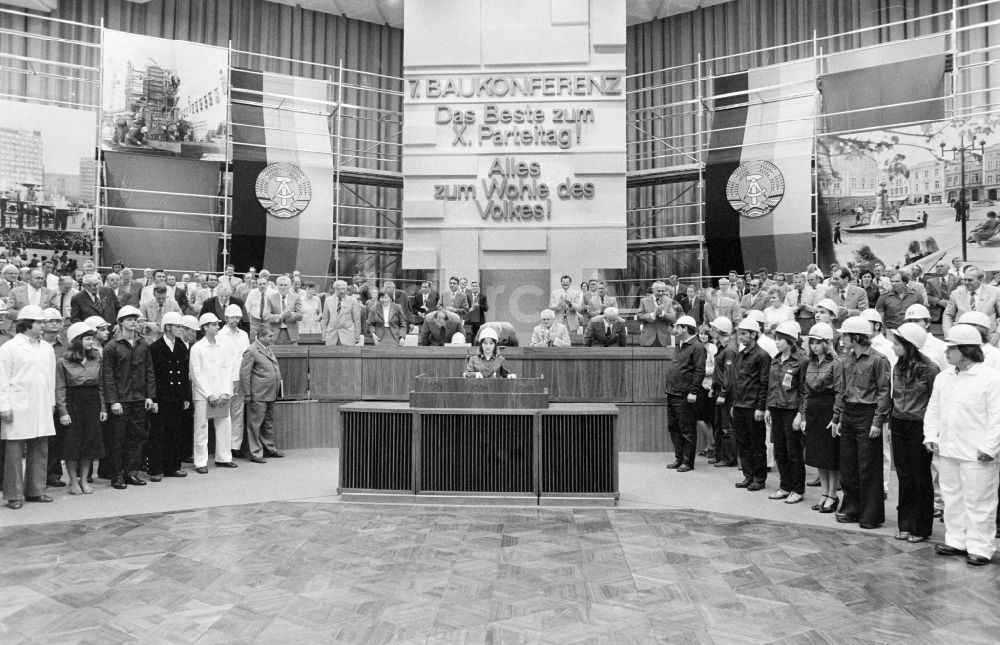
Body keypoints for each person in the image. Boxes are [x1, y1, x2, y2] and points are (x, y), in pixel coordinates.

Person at [925, 324, 1000, 566]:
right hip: (948, 449)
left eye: (952, 348)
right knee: (952, 497)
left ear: (966, 350)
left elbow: (997, 416)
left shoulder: (991, 378)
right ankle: (956, 540)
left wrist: (990, 447)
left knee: (979, 501)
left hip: (977, 452)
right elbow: (933, 410)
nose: (947, 352)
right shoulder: (943, 377)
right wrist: (931, 436)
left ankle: (980, 546)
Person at [832, 316, 891, 529]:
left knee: (868, 466)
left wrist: (877, 421)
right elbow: (842, 389)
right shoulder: (846, 359)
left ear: (855, 337)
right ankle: (851, 507)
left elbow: (884, 392)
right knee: (848, 465)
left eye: (845, 336)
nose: (841, 339)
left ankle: (870, 514)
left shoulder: (878, 359)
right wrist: (837, 417)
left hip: (868, 414)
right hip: (849, 413)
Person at [1, 305, 56, 509]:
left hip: (41, 404)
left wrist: (51, 402)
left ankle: (36, 490)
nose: (43, 325)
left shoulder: (47, 348)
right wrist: (4, 406)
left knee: (40, 447)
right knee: (14, 452)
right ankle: (14, 495)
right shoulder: (10, 348)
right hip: (17, 405)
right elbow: (2, 379)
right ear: (27, 324)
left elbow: (50, 378)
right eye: (40, 322)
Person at [889, 322, 940, 544]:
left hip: (920, 425)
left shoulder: (930, 369)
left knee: (920, 476)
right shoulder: (897, 366)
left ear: (909, 345)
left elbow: (935, 402)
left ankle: (920, 527)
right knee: (904, 476)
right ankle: (905, 523)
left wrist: (932, 432)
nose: (893, 347)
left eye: (897, 343)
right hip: (899, 423)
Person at [102, 305, 156, 490]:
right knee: (118, 438)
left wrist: (150, 396)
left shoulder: (143, 345)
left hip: (139, 398)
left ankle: (131, 472)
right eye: (129, 319)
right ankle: (117, 475)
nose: (134, 322)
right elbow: (107, 376)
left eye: (136, 318)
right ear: (120, 322)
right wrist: (114, 401)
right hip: (121, 399)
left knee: (137, 436)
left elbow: (149, 370)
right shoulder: (112, 347)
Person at [55, 321, 107, 495]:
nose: (91, 342)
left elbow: (101, 385)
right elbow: (60, 388)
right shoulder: (63, 362)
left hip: (92, 402)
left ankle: (84, 479)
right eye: (87, 338)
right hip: (73, 402)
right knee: (73, 444)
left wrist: (103, 408)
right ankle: (72, 480)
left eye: (92, 338)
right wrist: (63, 411)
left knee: (89, 444)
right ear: (77, 340)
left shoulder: (96, 358)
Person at [801, 322, 842, 512]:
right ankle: (824, 494)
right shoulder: (809, 364)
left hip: (828, 409)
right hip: (814, 411)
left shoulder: (836, 364)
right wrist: (803, 416)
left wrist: (835, 417)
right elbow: (805, 392)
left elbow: (840, 392)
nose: (814, 346)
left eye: (818, 342)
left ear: (827, 343)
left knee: (830, 458)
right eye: (812, 342)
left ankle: (833, 496)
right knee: (818, 457)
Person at [765, 321, 806, 504]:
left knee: (794, 451)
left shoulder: (801, 361)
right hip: (776, 408)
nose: (777, 342)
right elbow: (771, 385)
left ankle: (798, 489)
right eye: (776, 338)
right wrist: (767, 406)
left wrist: (800, 413)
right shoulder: (775, 359)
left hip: (791, 410)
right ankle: (785, 486)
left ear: (790, 340)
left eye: (781, 339)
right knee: (779, 450)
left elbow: (805, 391)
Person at [189, 312, 236, 473]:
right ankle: (200, 461)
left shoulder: (223, 346)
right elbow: (196, 374)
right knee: (201, 428)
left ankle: (224, 458)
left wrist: (225, 392)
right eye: (214, 324)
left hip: (221, 393)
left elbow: (228, 369)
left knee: (224, 425)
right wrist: (209, 393)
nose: (218, 327)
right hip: (203, 395)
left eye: (217, 324)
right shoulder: (197, 348)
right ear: (205, 327)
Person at [729, 317, 771, 491]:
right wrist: (734, 403)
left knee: (757, 444)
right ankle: (748, 475)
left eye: (744, 333)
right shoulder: (741, 354)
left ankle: (759, 478)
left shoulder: (762, 356)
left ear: (754, 334)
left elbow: (764, 383)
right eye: (739, 333)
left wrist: (761, 407)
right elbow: (738, 381)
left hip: (753, 406)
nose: (741, 337)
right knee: (743, 443)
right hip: (740, 404)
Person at [147, 311, 190, 481]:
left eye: (181, 327)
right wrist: (153, 398)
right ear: (167, 327)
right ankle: (156, 468)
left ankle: (173, 466)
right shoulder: (155, 348)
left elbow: (184, 373)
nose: (181, 329)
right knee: (158, 433)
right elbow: (151, 375)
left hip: (177, 396)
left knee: (175, 432)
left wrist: (185, 397)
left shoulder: (180, 346)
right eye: (178, 326)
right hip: (161, 397)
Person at [664, 316, 705, 472]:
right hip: (672, 392)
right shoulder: (680, 345)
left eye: (678, 327)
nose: (675, 330)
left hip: (684, 394)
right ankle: (679, 458)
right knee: (673, 427)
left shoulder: (697, 347)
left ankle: (687, 461)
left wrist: (693, 391)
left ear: (686, 328)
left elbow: (699, 371)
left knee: (686, 429)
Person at [240, 325, 285, 462]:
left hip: (270, 393)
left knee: (268, 423)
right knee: (255, 424)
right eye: (270, 336)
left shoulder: (267, 348)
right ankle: (255, 452)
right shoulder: (251, 350)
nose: (272, 338)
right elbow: (244, 374)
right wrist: (247, 394)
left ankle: (269, 448)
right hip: (258, 394)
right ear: (261, 337)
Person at [219, 304, 250, 458]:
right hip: (225, 380)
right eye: (232, 317)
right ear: (226, 318)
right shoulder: (220, 335)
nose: (234, 320)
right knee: (224, 415)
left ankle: (235, 446)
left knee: (238, 414)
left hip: (240, 378)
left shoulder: (244, 335)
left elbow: (246, 356)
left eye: (237, 317)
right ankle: (224, 447)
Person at [710, 317, 738, 468]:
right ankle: (720, 455)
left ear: (719, 331)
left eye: (714, 328)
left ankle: (729, 458)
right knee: (719, 424)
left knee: (726, 427)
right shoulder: (723, 346)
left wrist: (722, 393)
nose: (711, 331)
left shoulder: (729, 349)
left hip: (726, 393)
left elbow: (729, 374)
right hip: (719, 389)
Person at [943, 267, 1000, 332]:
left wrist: (997, 334)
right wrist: (949, 334)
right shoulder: (956, 293)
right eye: (965, 279)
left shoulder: (995, 292)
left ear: (981, 279)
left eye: (970, 280)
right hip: (962, 335)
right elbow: (948, 315)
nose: (966, 282)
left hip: (988, 335)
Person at [636, 281, 682, 347]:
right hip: (648, 338)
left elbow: (673, 318)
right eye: (658, 291)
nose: (661, 293)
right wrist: (652, 315)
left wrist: (663, 314)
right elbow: (639, 317)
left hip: (664, 338)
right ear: (653, 290)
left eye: (663, 291)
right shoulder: (644, 301)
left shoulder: (669, 301)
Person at [321, 279, 362, 346]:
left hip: (348, 336)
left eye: (345, 289)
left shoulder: (353, 301)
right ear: (335, 289)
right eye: (342, 289)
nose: (344, 291)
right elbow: (324, 320)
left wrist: (357, 337)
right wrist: (324, 336)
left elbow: (357, 320)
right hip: (331, 336)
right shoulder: (328, 301)